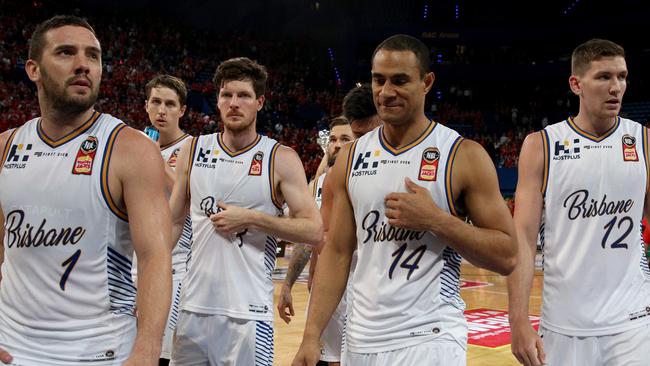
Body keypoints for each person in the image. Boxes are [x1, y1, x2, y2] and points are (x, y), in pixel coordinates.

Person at [292, 34, 517, 366]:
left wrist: (437, 220)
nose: (385, 92)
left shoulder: (462, 155)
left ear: (427, 82)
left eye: (399, 81)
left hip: (431, 337)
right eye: (378, 80)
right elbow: (337, 252)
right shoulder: (352, 157)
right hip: (361, 338)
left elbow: (508, 255)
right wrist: (311, 336)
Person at [0, 15, 172, 366]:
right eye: (66, 53)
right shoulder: (6, 147)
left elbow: (156, 255)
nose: (83, 65)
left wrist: (148, 348)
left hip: (99, 349)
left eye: (92, 56)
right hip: (13, 346)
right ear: (33, 69)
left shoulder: (131, 149)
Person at [168, 57, 323, 365]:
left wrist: (252, 218)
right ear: (218, 100)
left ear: (260, 102)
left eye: (244, 96)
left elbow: (314, 229)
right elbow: (172, 224)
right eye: (227, 95)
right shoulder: (193, 150)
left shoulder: (280, 157)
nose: (234, 103)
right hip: (192, 309)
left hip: (248, 313)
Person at [508, 38, 650, 366]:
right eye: (604, 77)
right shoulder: (541, 145)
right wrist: (517, 320)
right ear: (576, 84)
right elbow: (524, 241)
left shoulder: (642, 141)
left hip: (632, 323)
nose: (616, 87)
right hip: (563, 325)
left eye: (622, 77)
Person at [277, 116, 353, 366]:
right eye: (332, 139)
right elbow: (304, 241)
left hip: (359, 291)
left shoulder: (366, 182)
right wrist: (288, 284)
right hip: (324, 293)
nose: (337, 145)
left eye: (345, 139)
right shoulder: (315, 185)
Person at [139, 74, 193, 365]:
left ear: (182, 110)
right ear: (146, 105)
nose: (162, 110)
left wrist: (158, 163)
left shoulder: (193, 149)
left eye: (170, 104)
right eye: (156, 102)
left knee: (161, 352)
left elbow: (196, 199)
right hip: (134, 262)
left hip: (176, 265)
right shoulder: (134, 145)